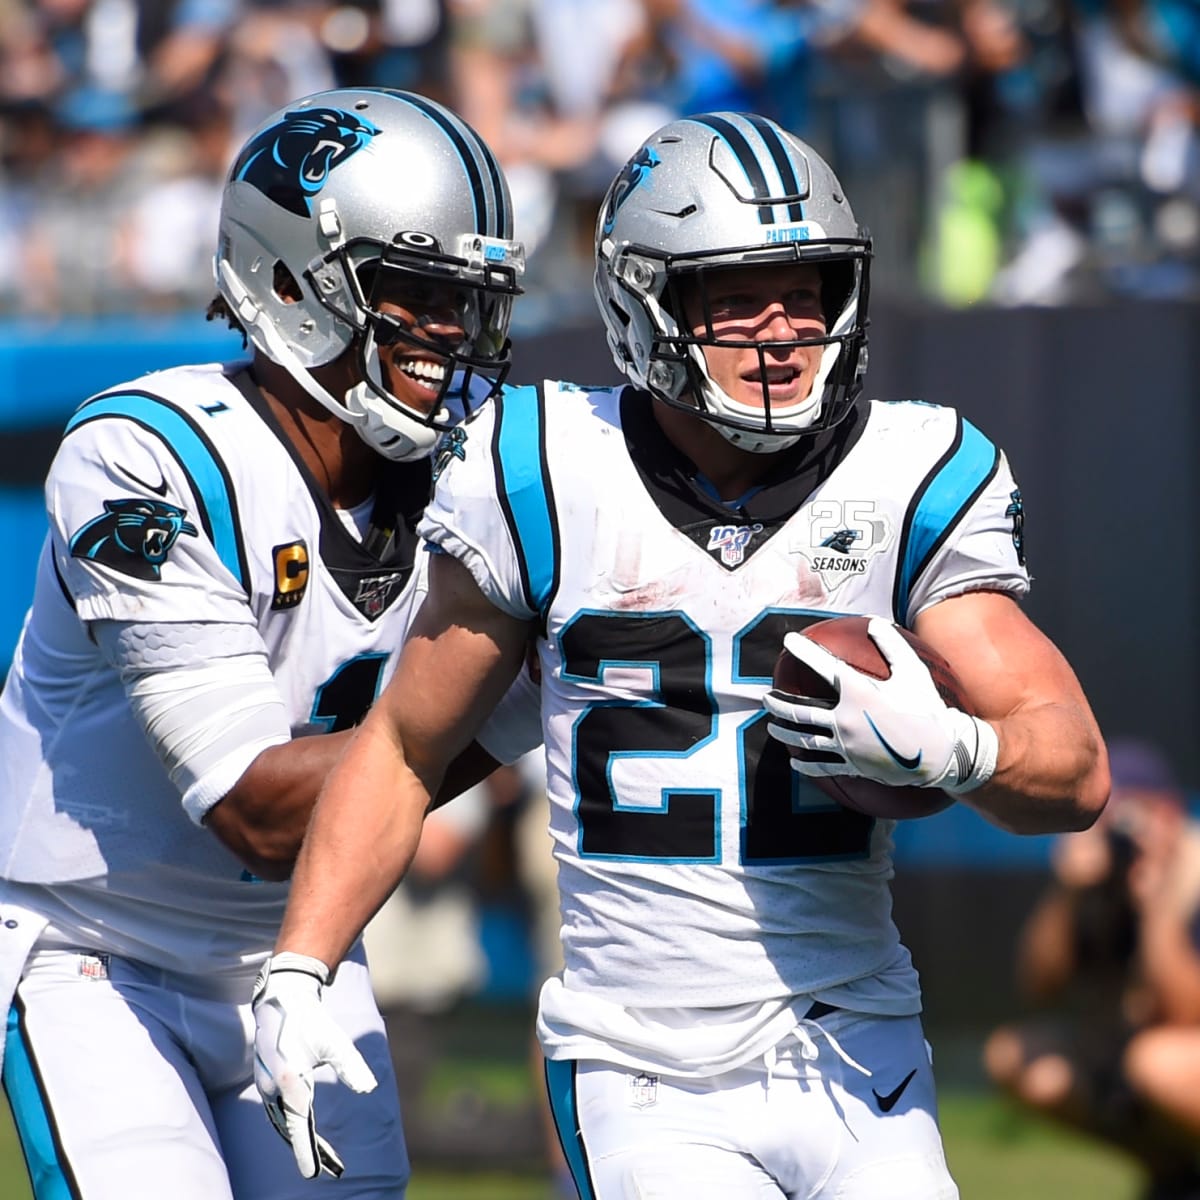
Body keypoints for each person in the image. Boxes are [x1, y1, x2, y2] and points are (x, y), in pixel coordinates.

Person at [252, 110, 1110, 1198]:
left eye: (806, 289)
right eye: (736, 294)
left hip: (858, 1043)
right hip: (640, 1062)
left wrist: (958, 752)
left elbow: (1074, 771)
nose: (782, 327)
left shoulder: (909, 469)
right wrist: (301, 966)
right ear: (644, 300)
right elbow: (407, 752)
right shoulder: (550, 465)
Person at [0, 85, 533, 1199]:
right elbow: (258, 810)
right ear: (293, 281)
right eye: (416, 295)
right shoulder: (148, 460)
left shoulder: (476, 478)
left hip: (302, 950)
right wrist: (525, 697)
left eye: (467, 300)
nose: (451, 335)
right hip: (98, 956)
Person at [984, 737, 1200, 1200]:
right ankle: (1175, 1174)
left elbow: (1186, 1015)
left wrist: (1157, 905)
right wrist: (1067, 894)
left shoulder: (1191, 873)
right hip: (1140, 1050)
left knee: (1155, 1063)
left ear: (1167, 813)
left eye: (1126, 811)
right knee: (1025, 1063)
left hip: (1177, 1052)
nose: (1114, 830)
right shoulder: (1097, 878)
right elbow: (1038, 986)